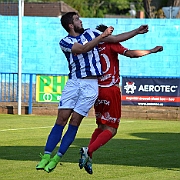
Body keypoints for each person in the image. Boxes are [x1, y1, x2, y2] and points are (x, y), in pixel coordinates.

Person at [36, 12, 149, 173]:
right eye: (77, 19)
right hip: (74, 82)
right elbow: (82, 49)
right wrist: (101, 36)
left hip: (91, 85)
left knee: (74, 122)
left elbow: (115, 39)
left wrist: (136, 31)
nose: (80, 21)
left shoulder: (91, 33)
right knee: (61, 120)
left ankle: (56, 158)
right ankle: (46, 156)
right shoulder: (65, 42)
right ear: (70, 25)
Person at [79, 24, 163, 174]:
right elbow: (130, 53)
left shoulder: (90, 46)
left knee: (101, 127)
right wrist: (150, 51)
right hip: (111, 90)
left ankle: (89, 156)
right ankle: (88, 150)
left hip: (97, 90)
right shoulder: (111, 44)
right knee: (112, 129)